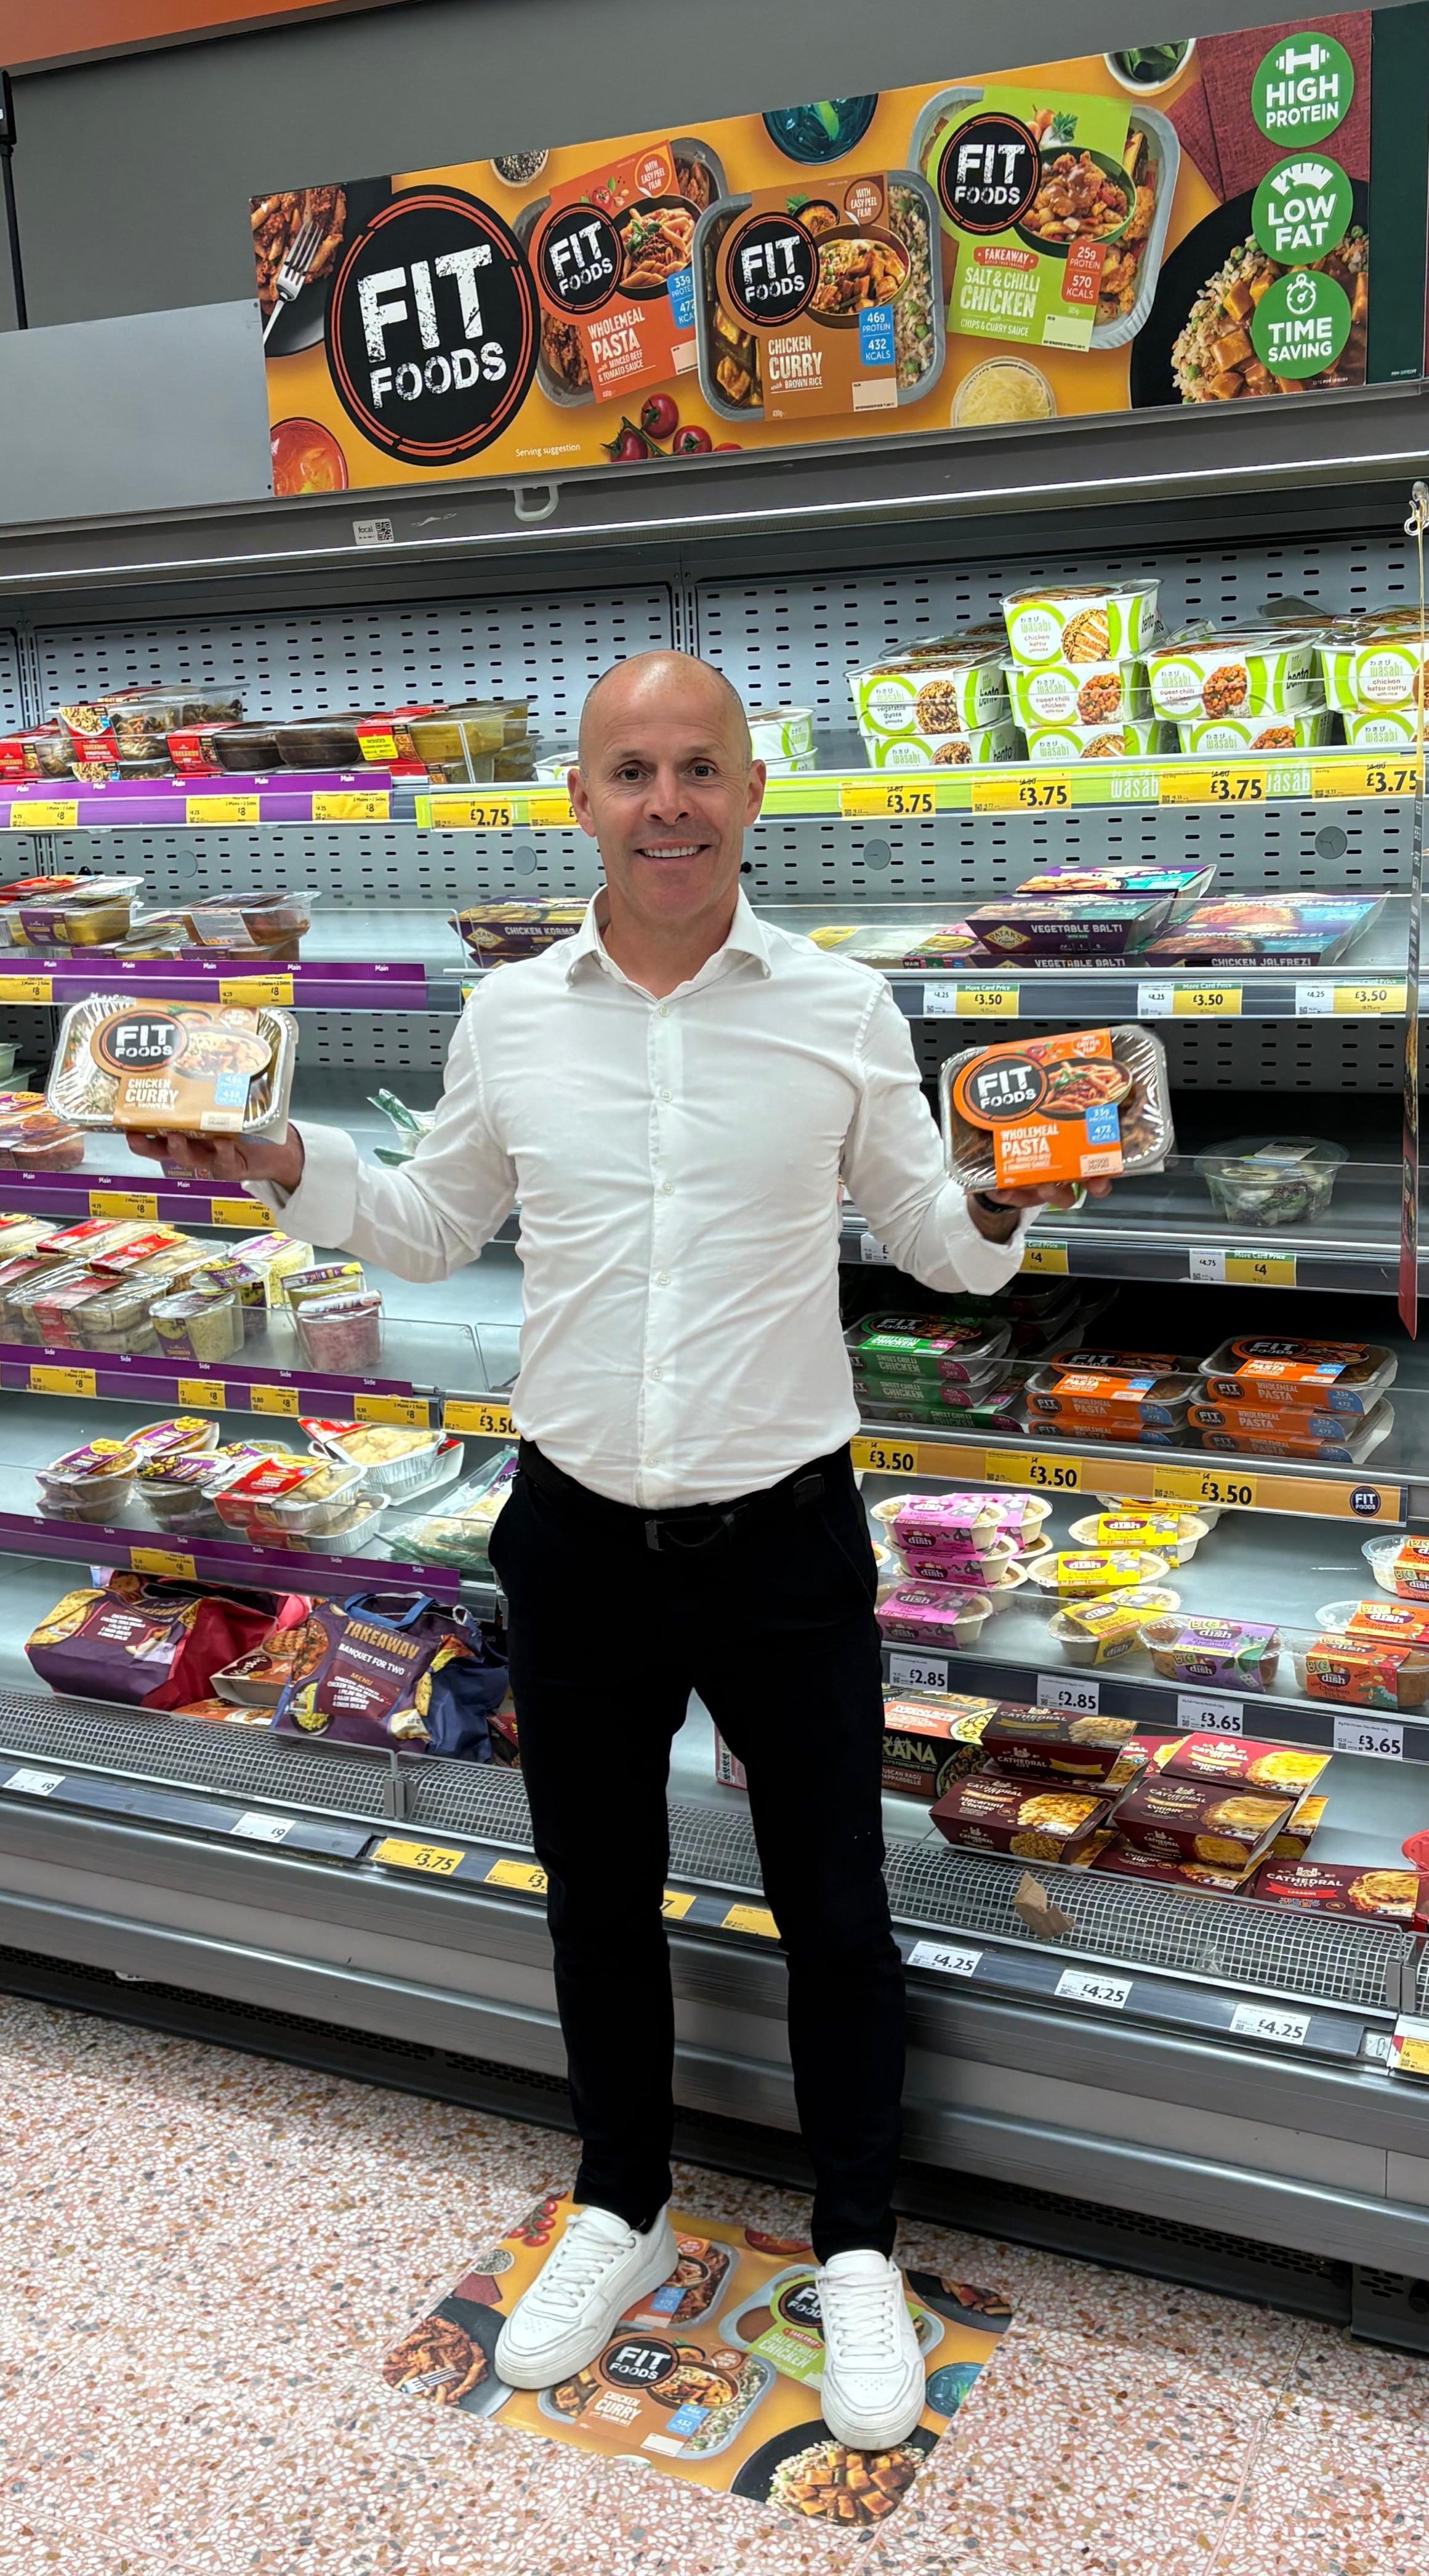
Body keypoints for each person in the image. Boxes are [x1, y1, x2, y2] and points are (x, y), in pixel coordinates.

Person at [133, 652, 1108, 2449]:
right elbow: (428, 1231)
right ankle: (619, 2198)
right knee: (595, 1892)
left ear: (753, 795)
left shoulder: (835, 1006)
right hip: (574, 1525)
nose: (668, 801)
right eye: (632, 771)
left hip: (785, 1531)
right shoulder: (511, 1017)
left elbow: (942, 1247)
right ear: (578, 801)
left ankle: (860, 2247)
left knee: (834, 1903)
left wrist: (1011, 1188)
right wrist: (275, 1151)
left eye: (701, 769)